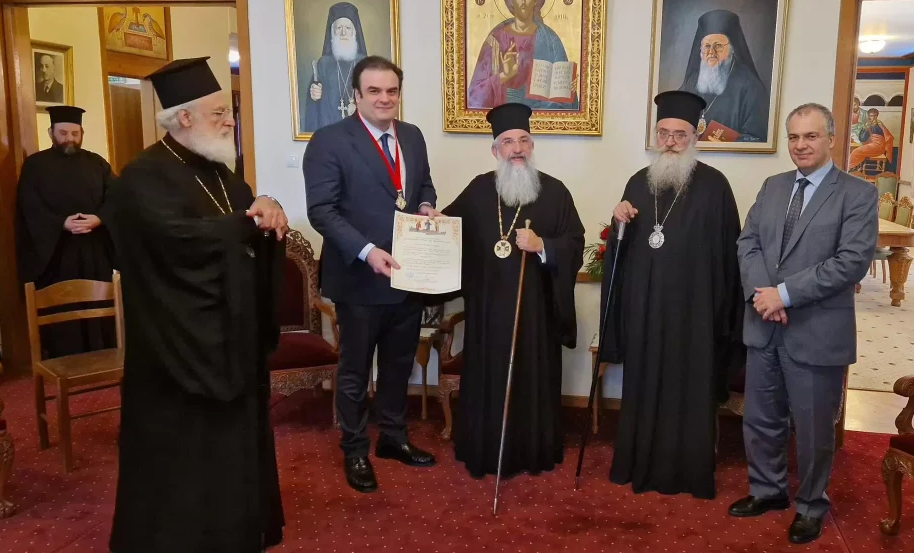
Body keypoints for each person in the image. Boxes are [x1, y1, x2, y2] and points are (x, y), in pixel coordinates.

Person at [106, 57, 288, 553]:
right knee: (182, 458)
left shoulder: (224, 175)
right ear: (183, 117)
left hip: (231, 341)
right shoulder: (142, 177)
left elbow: (247, 223)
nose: (230, 122)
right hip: (176, 349)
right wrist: (246, 226)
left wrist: (268, 209)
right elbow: (176, 242)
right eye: (218, 113)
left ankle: (235, 531)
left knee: (231, 448)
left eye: (228, 112)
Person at [731, 103, 877, 545]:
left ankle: (812, 505)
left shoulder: (857, 193)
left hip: (817, 330)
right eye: (794, 137)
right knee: (761, 418)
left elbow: (851, 262)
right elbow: (748, 242)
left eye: (810, 136)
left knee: (813, 429)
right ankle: (767, 491)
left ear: (831, 138)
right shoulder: (773, 186)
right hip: (764, 324)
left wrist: (785, 294)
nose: (801, 145)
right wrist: (764, 296)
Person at [303, 55, 439, 494]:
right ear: (357, 95)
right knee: (355, 370)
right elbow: (322, 211)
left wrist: (425, 206)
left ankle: (394, 438)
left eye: (392, 91)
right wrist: (366, 251)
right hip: (359, 278)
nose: (385, 98)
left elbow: (423, 185)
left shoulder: (412, 136)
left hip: (407, 275)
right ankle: (356, 448)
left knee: (399, 365)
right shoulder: (329, 140)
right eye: (375, 91)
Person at [599, 90, 744, 499]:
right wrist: (619, 221)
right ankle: (638, 464)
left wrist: (719, 315)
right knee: (644, 387)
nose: (670, 142)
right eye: (663, 133)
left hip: (694, 316)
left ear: (695, 137)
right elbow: (623, 251)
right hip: (645, 312)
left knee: (689, 389)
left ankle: (688, 471)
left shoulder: (715, 186)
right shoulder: (638, 182)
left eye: (680, 134)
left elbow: (730, 257)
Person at [440, 102, 584, 478]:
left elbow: (575, 244)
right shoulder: (477, 190)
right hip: (487, 313)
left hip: (535, 314)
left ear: (532, 146)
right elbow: (448, 230)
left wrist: (543, 246)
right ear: (495, 151)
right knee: (489, 378)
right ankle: (485, 447)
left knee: (532, 378)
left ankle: (532, 449)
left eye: (523, 141)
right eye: (508, 142)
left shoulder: (555, 192)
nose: (517, 149)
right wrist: (428, 225)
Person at [16, 105, 116, 358]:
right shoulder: (35, 166)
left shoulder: (98, 163)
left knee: (98, 305)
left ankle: (102, 356)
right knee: (61, 311)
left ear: (82, 133)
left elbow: (117, 198)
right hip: (55, 252)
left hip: (94, 250)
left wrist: (99, 218)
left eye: (75, 133)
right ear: (51, 132)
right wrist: (61, 223)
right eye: (63, 133)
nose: (69, 139)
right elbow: (29, 207)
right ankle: (62, 360)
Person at [467, 0, 578, 110]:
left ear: (536, 0)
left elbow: (564, 101)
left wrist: (568, 89)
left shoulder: (550, 39)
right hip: (503, 117)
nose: (523, 0)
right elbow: (474, 97)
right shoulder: (496, 39)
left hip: (541, 118)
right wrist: (504, 75)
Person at [678, 9, 768, 142]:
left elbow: (758, 137)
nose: (711, 52)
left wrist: (726, 142)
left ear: (732, 49)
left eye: (718, 46)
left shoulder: (750, 85)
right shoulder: (692, 81)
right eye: (706, 46)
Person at [302, 2, 369, 133]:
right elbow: (314, 105)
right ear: (332, 32)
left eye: (348, 28)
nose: (343, 32)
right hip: (330, 132)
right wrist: (314, 96)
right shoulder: (324, 64)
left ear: (354, 32)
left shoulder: (365, 63)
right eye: (339, 28)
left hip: (359, 134)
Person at [847, 107, 894, 172]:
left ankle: (849, 167)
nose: (873, 118)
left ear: (877, 116)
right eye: (871, 116)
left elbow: (889, 137)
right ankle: (854, 167)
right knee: (857, 151)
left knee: (855, 152)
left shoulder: (879, 125)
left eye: (875, 116)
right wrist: (865, 128)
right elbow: (862, 139)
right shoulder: (870, 124)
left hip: (878, 147)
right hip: (874, 146)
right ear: (868, 116)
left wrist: (866, 128)